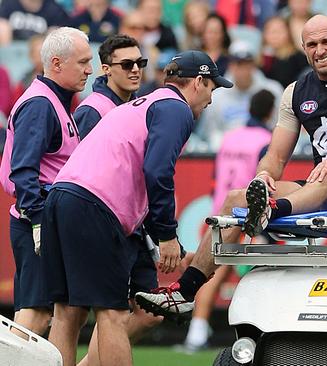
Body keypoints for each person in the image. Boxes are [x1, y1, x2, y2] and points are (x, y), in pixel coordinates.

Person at [135, 14, 327, 320]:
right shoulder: (295, 92)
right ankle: (186, 290)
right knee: (238, 198)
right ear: (303, 48)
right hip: (320, 186)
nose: (320, 50)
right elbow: (275, 158)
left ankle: (270, 211)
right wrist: (263, 175)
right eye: (312, 44)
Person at [40, 50, 233, 366]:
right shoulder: (176, 109)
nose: (211, 99)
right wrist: (167, 235)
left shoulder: (141, 103)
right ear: (198, 81)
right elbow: (157, 171)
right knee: (112, 314)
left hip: (62, 198)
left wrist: (165, 239)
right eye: (212, 88)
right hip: (95, 206)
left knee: (66, 313)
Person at [70, 34, 165, 366]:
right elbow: (82, 172)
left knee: (149, 311)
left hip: (131, 223)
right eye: (127, 65)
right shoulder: (94, 110)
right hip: (105, 220)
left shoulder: (133, 104)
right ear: (106, 69)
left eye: (141, 63)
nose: (136, 70)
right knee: (104, 311)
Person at [0, 27, 92, 336]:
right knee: (35, 315)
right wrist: (39, 221)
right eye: (82, 62)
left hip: (45, 219)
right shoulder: (41, 104)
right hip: (37, 221)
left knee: (49, 313)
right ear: (56, 63)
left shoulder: (53, 100)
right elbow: (22, 170)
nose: (89, 70)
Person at [182, 89, 276, 352]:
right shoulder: (266, 141)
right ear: (270, 112)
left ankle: (197, 332)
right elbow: (265, 182)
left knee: (213, 274)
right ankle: (260, 335)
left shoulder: (229, 138)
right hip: (247, 214)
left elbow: (215, 179)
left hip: (223, 211)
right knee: (259, 277)